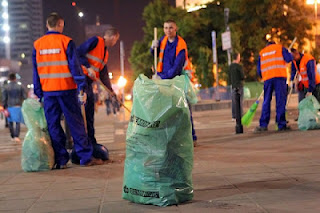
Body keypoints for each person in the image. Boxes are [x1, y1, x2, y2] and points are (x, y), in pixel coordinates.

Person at [32, 12, 102, 169]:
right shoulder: (66, 41)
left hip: (48, 91)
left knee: (53, 125)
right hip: (66, 89)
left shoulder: (37, 45)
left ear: (46, 25)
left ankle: (60, 159)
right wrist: (81, 85)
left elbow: (35, 71)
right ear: (60, 24)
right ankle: (85, 157)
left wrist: (38, 91)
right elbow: (74, 66)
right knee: (75, 123)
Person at [151, 19, 197, 146]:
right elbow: (155, 55)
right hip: (164, 80)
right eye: (165, 28)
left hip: (178, 79)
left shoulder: (181, 44)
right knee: (168, 110)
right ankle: (172, 138)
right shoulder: (162, 40)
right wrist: (152, 47)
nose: (168, 30)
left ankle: (191, 137)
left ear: (176, 28)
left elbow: (177, 68)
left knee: (183, 109)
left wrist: (161, 76)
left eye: (170, 28)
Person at [76, 27, 119, 162]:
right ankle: (82, 147)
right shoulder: (96, 41)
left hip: (88, 84)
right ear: (113, 37)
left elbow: (104, 74)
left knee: (89, 116)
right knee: (82, 116)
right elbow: (78, 53)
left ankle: (91, 144)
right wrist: (87, 67)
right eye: (115, 40)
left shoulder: (105, 54)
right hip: (80, 81)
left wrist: (110, 91)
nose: (115, 43)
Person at [255, 41, 292, 132]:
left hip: (268, 78)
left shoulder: (262, 52)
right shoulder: (280, 48)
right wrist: (288, 52)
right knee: (280, 101)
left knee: (266, 101)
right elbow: (289, 59)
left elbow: (259, 70)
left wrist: (264, 76)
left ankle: (263, 125)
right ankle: (281, 124)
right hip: (279, 77)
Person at [2, 73, 26, 142]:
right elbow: (24, 96)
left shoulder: (6, 87)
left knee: (10, 122)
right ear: (15, 78)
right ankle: (16, 136)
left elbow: (4, 98)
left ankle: (12, 135)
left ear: (9, 78)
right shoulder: (20, 86)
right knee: (17, 122)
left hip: (9, 106)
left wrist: (4, 106)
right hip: (18, 105)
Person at [229, 52, 244, 121]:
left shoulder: (230, 67)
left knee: (234, 102)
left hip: (233, 86)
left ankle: (234, 116)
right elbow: (242, 76)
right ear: (238, 57)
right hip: (239, 85)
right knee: (240, 101)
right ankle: (240, 115)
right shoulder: (239, 66)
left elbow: (229, 76)